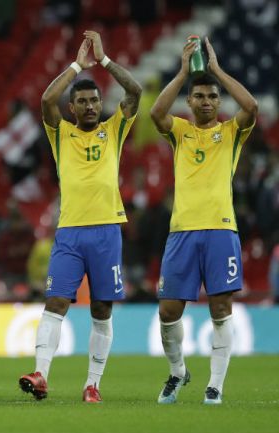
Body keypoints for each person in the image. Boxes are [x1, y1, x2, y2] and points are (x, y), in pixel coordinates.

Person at [18, 30, 141, 403]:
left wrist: (103, 61)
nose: (89, 106)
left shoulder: (114, 129)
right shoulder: (61, 134)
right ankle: (41, 374)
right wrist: (76, 65)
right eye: (82, 102)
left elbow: (134, 92)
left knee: (101, 308)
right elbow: (45, 99)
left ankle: (93, 384)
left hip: (106, 231)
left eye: (94, 100)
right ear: (73, 108)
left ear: (101, 103)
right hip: (69, 233)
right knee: (55, 301)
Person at [149, 37, 257, 405]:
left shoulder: (231, 133)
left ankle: (215, 385)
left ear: (218, 101)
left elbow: (251, 106)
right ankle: (178, 371)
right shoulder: (180, 131)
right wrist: (183, 72)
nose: (207, 101)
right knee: (168, 311)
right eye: (200, 97)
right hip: (182, 232)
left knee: (220, 308)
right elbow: (156, 115)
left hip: (221, 230)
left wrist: (217, 70)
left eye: (213, 97)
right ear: (190, 102)